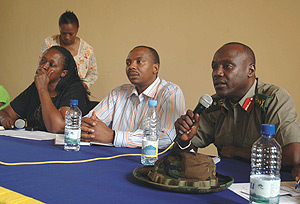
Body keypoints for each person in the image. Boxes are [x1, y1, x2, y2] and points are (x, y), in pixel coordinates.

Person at [174, 42, 300, 180]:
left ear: (250, 71)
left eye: (227, 66)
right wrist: (185, 140)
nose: (217, 73)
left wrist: (238, 152)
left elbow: (293, 155)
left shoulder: (273, 98)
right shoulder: (215, 104)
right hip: (228, 181)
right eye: (214, 67)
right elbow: (186, 153)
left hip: (268, 185)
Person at [81, 46, 185, 148]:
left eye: (139, 62)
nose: (131, 66)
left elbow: (167, 137)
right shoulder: (119, 92)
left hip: (151, 160)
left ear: (155, 68)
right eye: (128, 63)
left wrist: (113, 136)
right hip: (115, 156)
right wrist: (89, 127)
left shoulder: (170, 92)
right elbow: (88, 122)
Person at [0, 46, 90, 133]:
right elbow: (4, 112)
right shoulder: (36, 86)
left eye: (52, 65)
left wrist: (43, 89)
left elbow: (57, 127)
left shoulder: (74, 89)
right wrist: (4, 119)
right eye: (42, 61)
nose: (44, 66)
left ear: (63, 73)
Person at [39, 11, 98, 89]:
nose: (67, 37)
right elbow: (41, 67)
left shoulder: (87, 50)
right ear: (59, 28)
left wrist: (84, 85)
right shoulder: (49, 43)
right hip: (50, 91)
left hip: (75, 92)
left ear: (77, 28)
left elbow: (93, 73)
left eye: (71, 34)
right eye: (63, 33)